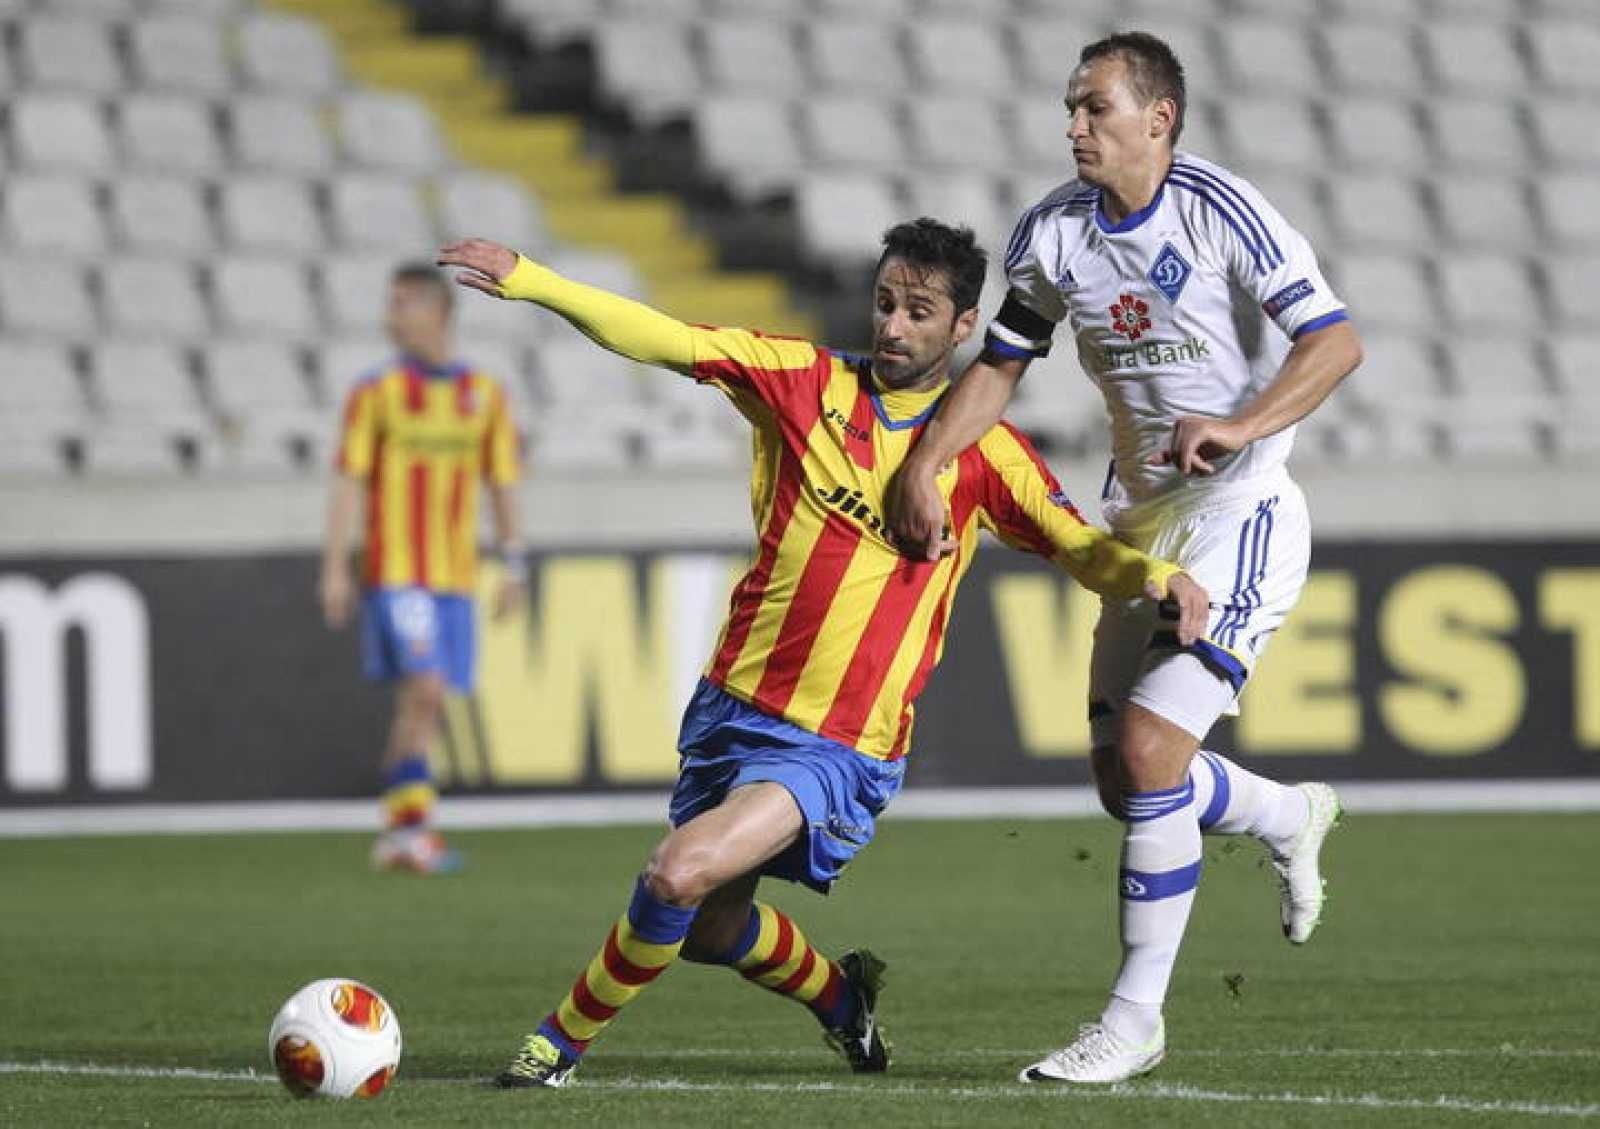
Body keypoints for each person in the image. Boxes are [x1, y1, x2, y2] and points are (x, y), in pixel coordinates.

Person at [436, 219, 1209, 1089]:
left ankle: (555, 1046)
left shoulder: (986, 456)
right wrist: (536, 279)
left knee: (676, 870)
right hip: (733, 703)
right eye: (886, 303)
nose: (893, 326)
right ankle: (841, 1000)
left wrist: (1157, 575)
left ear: (964, 330)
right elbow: (667, 338)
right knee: (709, 928)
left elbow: (1080, 547)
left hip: (839, 743)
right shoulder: (804, 384)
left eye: (919, 311)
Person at [887, 32, 1363, 1084]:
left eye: (1094, 108)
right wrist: (927, 463)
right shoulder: (1052, 234)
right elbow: (1000, 366)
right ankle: (1289, 813)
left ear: (1159, 117)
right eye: (1069, 108)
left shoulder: (1220, 209)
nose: (1074, 127)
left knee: (1151, 758)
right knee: (1122, 780)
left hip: (1238, 514)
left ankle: (1133, 1022)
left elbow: (1332, 343)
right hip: (1137, 528)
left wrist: (1237, 427)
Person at [319, 263, 526, 875]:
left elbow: (502, 484)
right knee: (427, 689)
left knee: (424, 703)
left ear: (439, 312)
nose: (390, 317)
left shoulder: (484, 394)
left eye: (402, 304)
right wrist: (334, 567)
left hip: (456, 577)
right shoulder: (375, 393)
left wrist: (513, 564)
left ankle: (403, 831)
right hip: (397, 572)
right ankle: (409, 832)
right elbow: (348, 482)